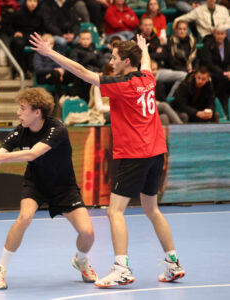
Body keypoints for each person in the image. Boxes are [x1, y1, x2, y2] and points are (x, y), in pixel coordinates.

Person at [30, 32, 185, 287]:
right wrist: (143, 48)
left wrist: (51, 54)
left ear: (126, 61)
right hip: (156, 152)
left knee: (114, 211)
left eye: (115, 58)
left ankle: (121, 268)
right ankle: (173, 263)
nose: (111, 61)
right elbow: (145, 63)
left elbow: (81, 71)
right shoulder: (147, 78)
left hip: (135, 154)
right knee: (152, 209)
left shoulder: (121, 85)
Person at [0, 87, 97, 290]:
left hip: (64, 187)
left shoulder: (57, 129)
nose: (18, 113)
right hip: (36, 184)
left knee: (88, 233)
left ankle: (81, 260)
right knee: (24, 218)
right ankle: (0, 269)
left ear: (37, 112)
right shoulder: (20, 132)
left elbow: (32, 154)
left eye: (22, 108)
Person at [199, 24, 230, 117]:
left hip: (225, 74)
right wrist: (224, 73)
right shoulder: (208, 45)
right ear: (214, 34)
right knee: (224, 82)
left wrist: (228, 71)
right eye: (218, 34)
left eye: (222, 34)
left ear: (225, 34)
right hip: (211, 73)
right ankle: (222, 110)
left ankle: (226, 109)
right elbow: (209, 64)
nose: (220, 36)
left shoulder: (228, 44)